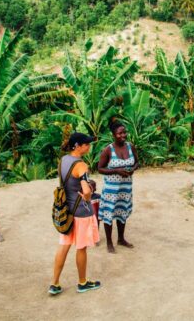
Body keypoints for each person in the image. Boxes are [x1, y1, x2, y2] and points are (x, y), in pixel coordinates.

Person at [50, 132, 101, 296]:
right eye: (86, 144)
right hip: (81, 212)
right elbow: (86, 191)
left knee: (64, 246)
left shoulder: (63, 160)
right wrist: (88, 194)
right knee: (81, 248)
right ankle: (82, 282)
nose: (89, 147)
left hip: (67, 211)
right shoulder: (81, 165)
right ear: (78, 146)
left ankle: (54, 283)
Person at [98, 121, 138, 253]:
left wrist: (132, 169)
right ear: (113, 135)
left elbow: (137, 163)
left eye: (124, 132)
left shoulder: (130, 147)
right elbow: (100, 169)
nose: (123, 135)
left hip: (125, 188)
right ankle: (109, 242)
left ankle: (121, 239)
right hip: (111, 190)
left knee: (122, 212)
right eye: (119, 133)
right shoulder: (108, 150)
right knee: (109, 214)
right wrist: (116, 171)